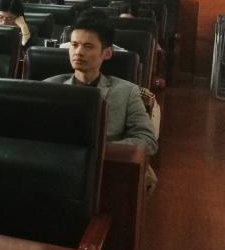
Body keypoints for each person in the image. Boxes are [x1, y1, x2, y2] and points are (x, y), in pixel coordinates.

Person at [44, 17, 157, 156]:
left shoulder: (127, 92)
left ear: (107, 53)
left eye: (88, 46)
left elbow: (148, 140)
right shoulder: (49, 87)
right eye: (74, 45)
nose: (78, 52)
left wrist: (99, 150)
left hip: (107, 164)